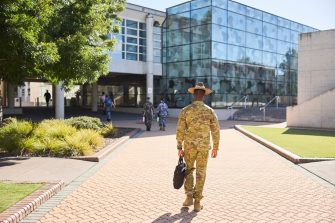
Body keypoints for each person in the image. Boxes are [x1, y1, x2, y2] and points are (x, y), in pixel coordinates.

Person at [176, 82, 220, 212]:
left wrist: (179, 147)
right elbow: (216, 130)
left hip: (189, 146)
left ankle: (189, 197)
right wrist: (216, 147)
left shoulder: (185, 110)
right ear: (204, 96)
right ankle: (197, 202)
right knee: (201, 172)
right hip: (203, 147)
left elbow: (180, 130)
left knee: (188, 170)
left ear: (194, 95)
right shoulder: (209, 111)